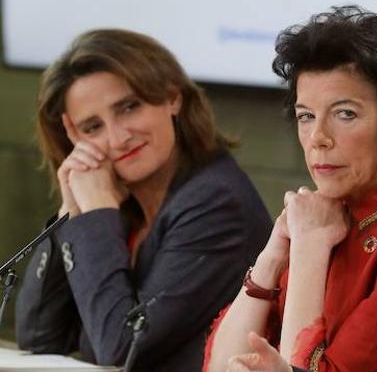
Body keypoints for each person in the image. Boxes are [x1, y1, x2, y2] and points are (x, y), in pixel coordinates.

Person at [204, 6, 377, 372]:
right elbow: (221, 366)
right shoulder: (323, 212)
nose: (318, 138)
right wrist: (273, 256)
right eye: (306, 116)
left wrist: (308, 249)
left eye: (345, 114)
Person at [15, 29, 272, 372]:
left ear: (171, 96)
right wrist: (71, 212)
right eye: (92, 128)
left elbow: (122, 349)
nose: (118, 137)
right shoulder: (120, 204)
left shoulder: (216, 204)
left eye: (129, 107)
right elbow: (37, 337)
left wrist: (95, 216)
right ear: (74, 138)